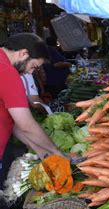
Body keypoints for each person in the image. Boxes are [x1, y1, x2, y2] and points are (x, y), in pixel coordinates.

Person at [0, 33, 62, 180]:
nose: (30, 72)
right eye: (34, 66)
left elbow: (14, 123)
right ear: (23, 53)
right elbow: (26, 124)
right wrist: (57, 152)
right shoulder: (7, 72)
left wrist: (40, 150)